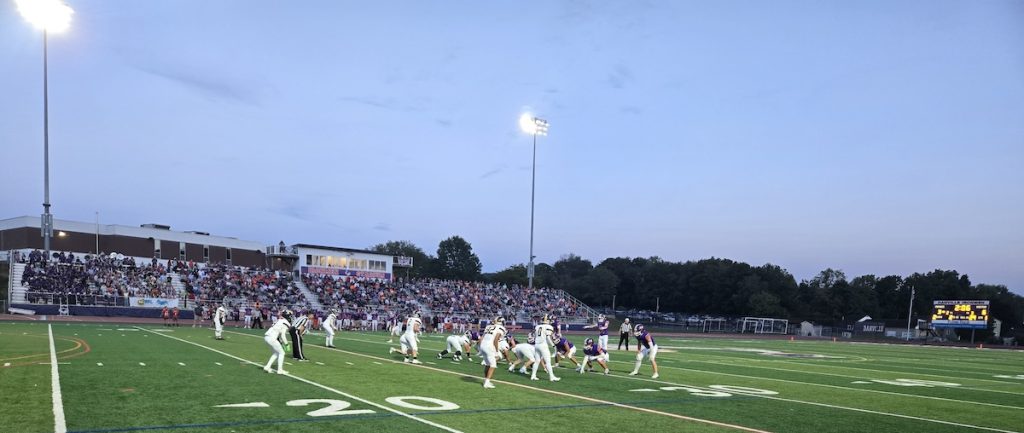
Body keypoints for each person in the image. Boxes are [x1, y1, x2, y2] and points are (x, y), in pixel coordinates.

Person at [480, 317, 507, 389]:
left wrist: (480, 347)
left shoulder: (488, 326)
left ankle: (486, 380)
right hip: (489, 346)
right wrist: (497, 351)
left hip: (483, 345)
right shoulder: (501, 328)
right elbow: (496, 340)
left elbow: (482, 337)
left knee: (487, 364)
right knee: (493, 365)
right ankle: (487, 383)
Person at [531, 315, 560, 382]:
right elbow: (548, 338)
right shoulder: (549, 327)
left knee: (537, 361)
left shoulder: (537, 326)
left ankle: (533, 376)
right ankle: (552, 377)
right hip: (543, 345)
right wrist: (553, 346)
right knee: (548, 362)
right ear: (547, 320)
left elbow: (535, 336)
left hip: (536, 345)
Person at [263, 309, 292, 375]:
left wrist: (282, 343)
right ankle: (280, 370)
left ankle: (267, 367)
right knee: (282, 353)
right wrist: (287, 344)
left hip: (267, 337)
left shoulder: (279, 320)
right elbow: (283, 335)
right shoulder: (285, 322)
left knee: (276, 353)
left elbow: (278, 333)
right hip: (272, 338)